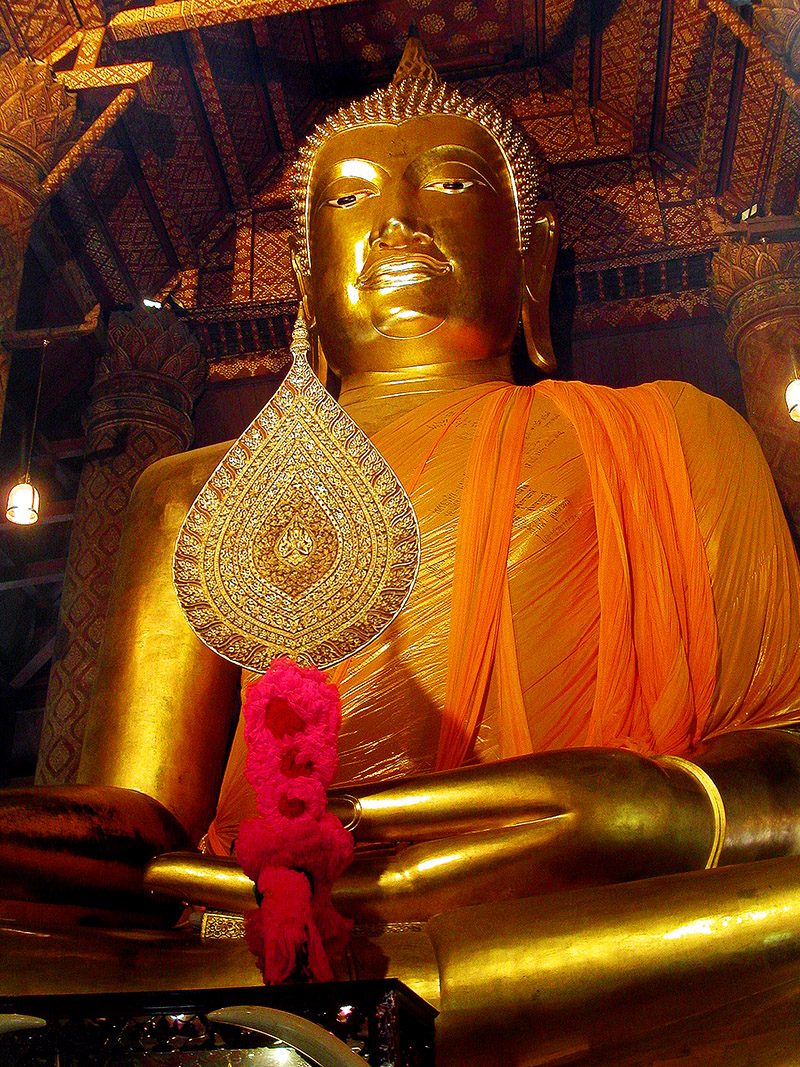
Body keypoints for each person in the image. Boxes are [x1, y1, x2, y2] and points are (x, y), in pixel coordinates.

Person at [3, 38, 800, 1059]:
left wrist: (651, 805)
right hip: (260, 945)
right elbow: (146, 823)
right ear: (302, 280)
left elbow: (788, 748)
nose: (397, 224)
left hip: (592, 937)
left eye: (451, 181)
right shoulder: (197, 492)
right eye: (349, 199)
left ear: (530, 252)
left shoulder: (676, 430)